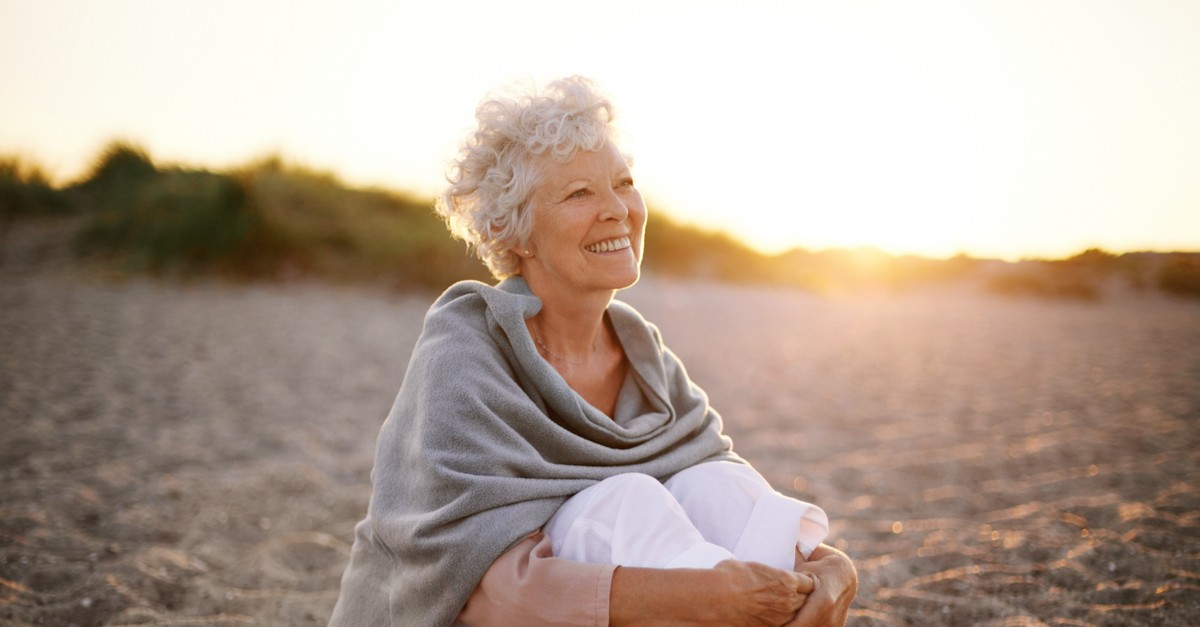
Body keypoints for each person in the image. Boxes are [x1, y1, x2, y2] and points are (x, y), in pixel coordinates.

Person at [329, 76, 857, 626]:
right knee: (627, 499)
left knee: (714, 481)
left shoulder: (641, 352)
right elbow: (486, 589)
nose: (616, 210)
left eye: (623, 183)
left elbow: (726, 489)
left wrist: (831, 566)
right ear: (516, 233)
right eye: (579, 193)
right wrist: (703, 598)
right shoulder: (465, 353)